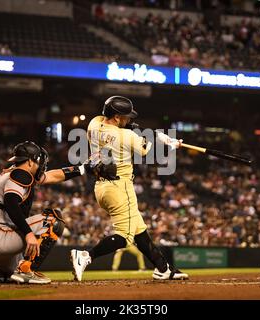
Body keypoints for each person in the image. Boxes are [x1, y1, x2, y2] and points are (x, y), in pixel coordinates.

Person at [70, 96, 189, 281]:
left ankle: (163, 268)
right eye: (126, 116)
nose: (129, 119)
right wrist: (171, 144)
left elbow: (130, 129)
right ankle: (86, 256)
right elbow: (148, 150)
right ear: (117, 117)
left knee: (139, 231)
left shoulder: (94, 123)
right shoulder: (126, 136)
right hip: (120, 186)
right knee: (124, 237)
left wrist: (154, 134)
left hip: (101, 187)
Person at [0, 141, 112, 284]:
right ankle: (27, 270)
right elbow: (11, 203)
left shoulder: (14, 173)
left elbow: (53, 175)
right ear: (29, 162)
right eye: (39, 162)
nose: (41, 166)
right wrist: (28, 233)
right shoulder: (20, 174)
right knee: (54, 220)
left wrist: (82, 168)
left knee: (8, 275)